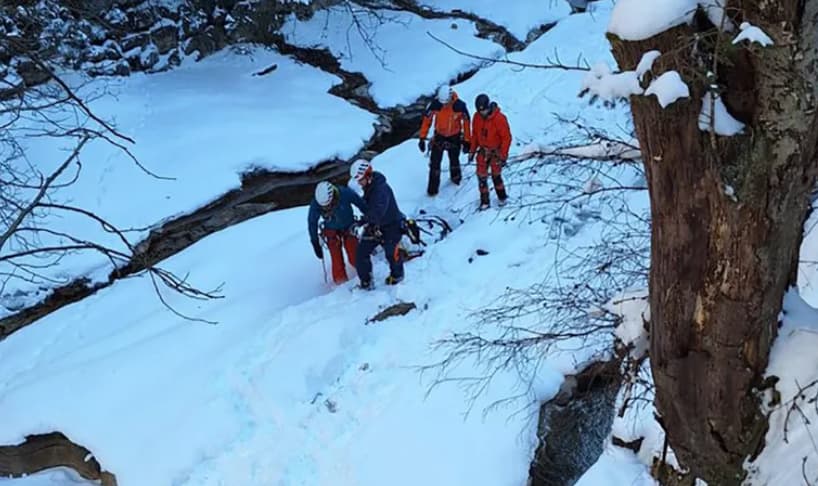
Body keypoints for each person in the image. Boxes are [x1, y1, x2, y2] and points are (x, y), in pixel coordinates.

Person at [349, 159, 405, 289]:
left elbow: (377, 212)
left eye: (360, 180)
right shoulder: (370, 187)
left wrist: (361, 223)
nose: (359, 183)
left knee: (391, 253)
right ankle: (366, 282)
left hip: (391, 225)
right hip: (376, 226)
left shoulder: (381, 190)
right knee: (361, 253)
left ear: (368, 176)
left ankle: (397, 276)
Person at [307, 180, 367, 284]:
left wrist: (370, 217)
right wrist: (315, 242)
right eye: (324, 207)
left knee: (355, 255)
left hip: (348, 227)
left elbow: (360, 203)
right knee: (336, 260)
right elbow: (312, 222)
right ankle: (341, 284)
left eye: (328, 205)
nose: (326, 208)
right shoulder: (316, 203)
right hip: (331, 231)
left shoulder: (345, 193)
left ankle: (364, 273)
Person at [418, 84, 471, 196]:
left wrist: (467, 140)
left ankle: (456, 179)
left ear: (450, 97)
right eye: (443, 103)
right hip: (439, 136)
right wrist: (422, 137)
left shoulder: (460, 106)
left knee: (454, 160)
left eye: (446, 103)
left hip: (455, 136)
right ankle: (432, 190)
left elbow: (466, 122)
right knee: (435, 163)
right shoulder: (435, 105)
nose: (444, 105)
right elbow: (427, 120)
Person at [469, 93, 512, 210]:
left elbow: (506, 138)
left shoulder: (499, 119)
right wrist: (472, 150)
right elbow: (475, 135)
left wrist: (503, 155)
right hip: (483, 151)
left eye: (484, 110)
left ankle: (502, 197)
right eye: (480, 111)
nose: (482, 113)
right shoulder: (476, 117)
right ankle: (484, 201)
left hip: (496, 152)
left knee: (496, 176)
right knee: (481, 176)